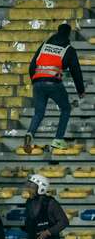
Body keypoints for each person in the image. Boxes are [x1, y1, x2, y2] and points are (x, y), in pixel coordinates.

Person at [24, 23, 86, 152]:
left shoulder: (45, 46)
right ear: (68, 34)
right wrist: (80, 90)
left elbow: (31, 66)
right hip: (53, 83)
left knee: (39, 112)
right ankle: (58, 139)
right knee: (66, 108)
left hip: (37, 81)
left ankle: (30, 133)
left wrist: (36, 82)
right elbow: (76, 72)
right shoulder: (68, 49)